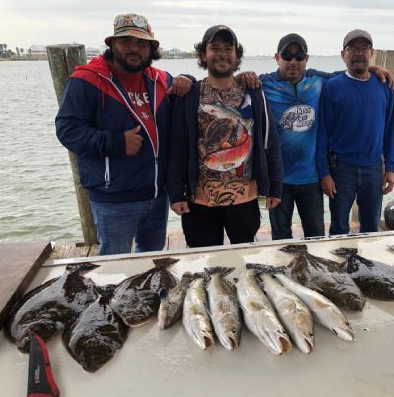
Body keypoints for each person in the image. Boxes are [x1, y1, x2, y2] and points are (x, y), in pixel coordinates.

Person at [55, 13, 193, 255]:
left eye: (141, 43)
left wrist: (188, 79)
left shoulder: (161, 80)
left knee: (150, 257)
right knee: (113, 263)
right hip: (113, 197)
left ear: (151, 48)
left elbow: (189, 90)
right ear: (112, 44)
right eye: (126, 41)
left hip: (157, 194)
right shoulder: (87, 80)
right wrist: (116, 142)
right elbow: (67, 130)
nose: (134, 49)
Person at [259, 33, 394, 240]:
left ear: (307, 59)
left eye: (299, 56)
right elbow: (236, 86)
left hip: (311, 178)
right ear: (277, 58)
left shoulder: (319, 81)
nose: (293, 61)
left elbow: (350, 77)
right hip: (278, 179)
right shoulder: (263, 85)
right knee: (281, 237)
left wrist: (373, 69)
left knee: (316, 236)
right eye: (287, 56)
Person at [168, 25, 283, 248]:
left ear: (236, 55)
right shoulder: (189, 95)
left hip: (244, 199)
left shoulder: (254, 93)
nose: (222, 53)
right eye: (215, 48)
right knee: (204, 262)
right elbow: (178, 148)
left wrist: (275, 187)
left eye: (228, 48)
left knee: (244, 260)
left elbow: (271, 142)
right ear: (203, 54)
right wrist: (175, 193)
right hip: (199, 202)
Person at [316, 29, 394, 235]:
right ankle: (339, 266)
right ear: (343, 54)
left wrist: (390, 167)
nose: (359, 53)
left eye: (364, 48)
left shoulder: (384, 86)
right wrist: (324, 172)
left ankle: (370, 266)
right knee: (338, 227)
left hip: (373, 170)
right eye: (353, 48)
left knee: (371, 227)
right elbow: (322, 132)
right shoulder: (332, 87)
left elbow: (391, 129)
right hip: (340, 170)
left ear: (371, 53)